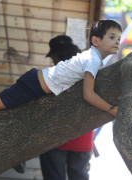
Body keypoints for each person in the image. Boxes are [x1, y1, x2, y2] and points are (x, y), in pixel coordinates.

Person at [0, 20, 122, 143]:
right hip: (33, 85)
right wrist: (112, 109)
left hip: (38, 86)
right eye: (112, 37)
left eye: (119, 38)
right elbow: (89, 94)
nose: (117, 41)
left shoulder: (94, 59)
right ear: (96, 41)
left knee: (10, 116)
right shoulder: (92, 59)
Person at [39, 35, 93, 180]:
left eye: (52, 57)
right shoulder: (90, 73)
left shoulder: (53, 75)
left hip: (55, 140)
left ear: (56, 55)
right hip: (83, 139)